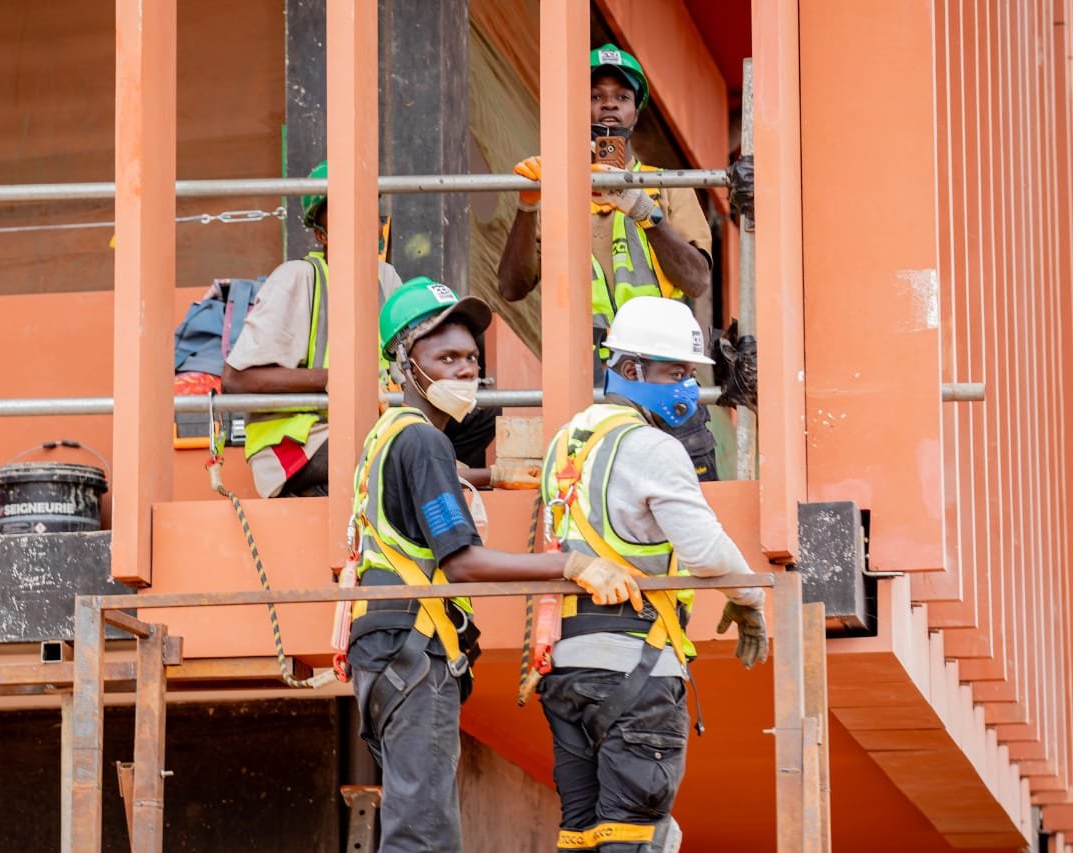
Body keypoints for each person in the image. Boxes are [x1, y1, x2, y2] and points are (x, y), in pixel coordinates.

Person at [347, 278, 642, 852]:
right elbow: (462, 563)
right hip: (412, 646)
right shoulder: (425, 443)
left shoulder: (387, 435)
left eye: (471, 358)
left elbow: (424, 497)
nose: (464, 370)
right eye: (446, 358)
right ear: (405, 364)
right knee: (423, 834)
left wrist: (487, 477)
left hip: (383, 646)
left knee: (416, 817)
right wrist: (572, 566)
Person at [536, 296, 769, 853]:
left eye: (689, 373)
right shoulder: (652, 448)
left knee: (583, 836)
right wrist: (750, 598)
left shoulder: (567, 441)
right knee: (636, 836)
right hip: (635, 667)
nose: (686, 387)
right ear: (630, 369)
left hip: (567, 668)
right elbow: (705, 551)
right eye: (674, 372)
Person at [496, 43, 721, 481]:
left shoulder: (666, 186)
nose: (609, 106)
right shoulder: (553, 189)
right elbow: (511, 287)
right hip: (585, 374)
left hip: (664, 371)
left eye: (621, 97)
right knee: (594, 489)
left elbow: (696, 280)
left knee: (685, 487)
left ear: (636, 111)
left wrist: (645, 212)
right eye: (595, 95)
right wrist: (527, 205)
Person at [222, 160, 404, 498]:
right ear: (321, 234)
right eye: (344, 213)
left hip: (366, 429)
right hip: (298, 444)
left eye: (367, 211)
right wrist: (333, 379)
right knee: (399, 455)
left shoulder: (385, 278)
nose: (360, 221)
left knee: (470, 422)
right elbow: (235, 380)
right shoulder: (297, 278)